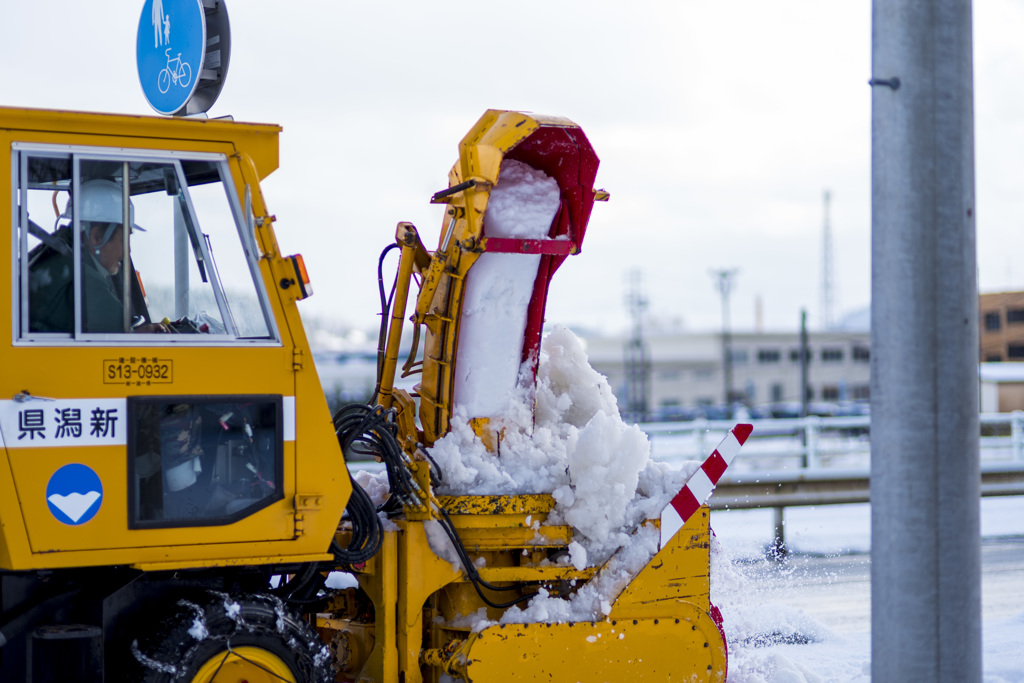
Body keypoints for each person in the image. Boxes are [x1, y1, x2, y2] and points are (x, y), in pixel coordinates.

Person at [29, 179, 167, 333]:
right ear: (96, 238)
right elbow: (120, 346)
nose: (127, 251)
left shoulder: (57, 261)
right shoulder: (86, 282)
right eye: (124, 240)